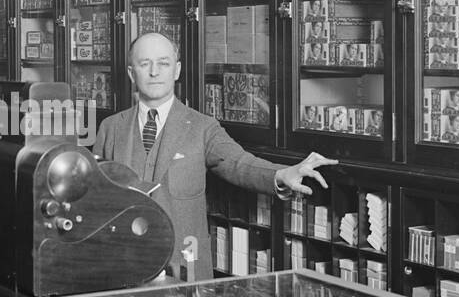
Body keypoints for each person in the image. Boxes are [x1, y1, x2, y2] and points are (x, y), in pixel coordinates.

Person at [93, 32, 336, 276]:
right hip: (123, 264)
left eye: (163, 63)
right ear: (130, 73)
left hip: (183, 264)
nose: (154, 72)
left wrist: (282, 174)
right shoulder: (111, 129)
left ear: (176, 70)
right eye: (145, 64)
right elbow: (94, 200)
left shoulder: (202, 127)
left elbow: (238, 162)